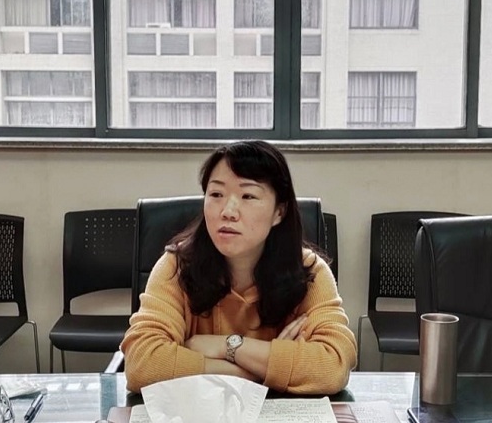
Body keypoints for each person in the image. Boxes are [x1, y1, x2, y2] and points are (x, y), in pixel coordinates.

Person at [121, 140, 357, 394]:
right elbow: (142, 365)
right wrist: (259, 369)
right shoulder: (176, 267)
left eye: (248, 196)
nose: (228, 211)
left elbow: (334, 365)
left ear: (279, 212)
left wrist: (226, 346)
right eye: (216, 194)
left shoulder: (309, 272)